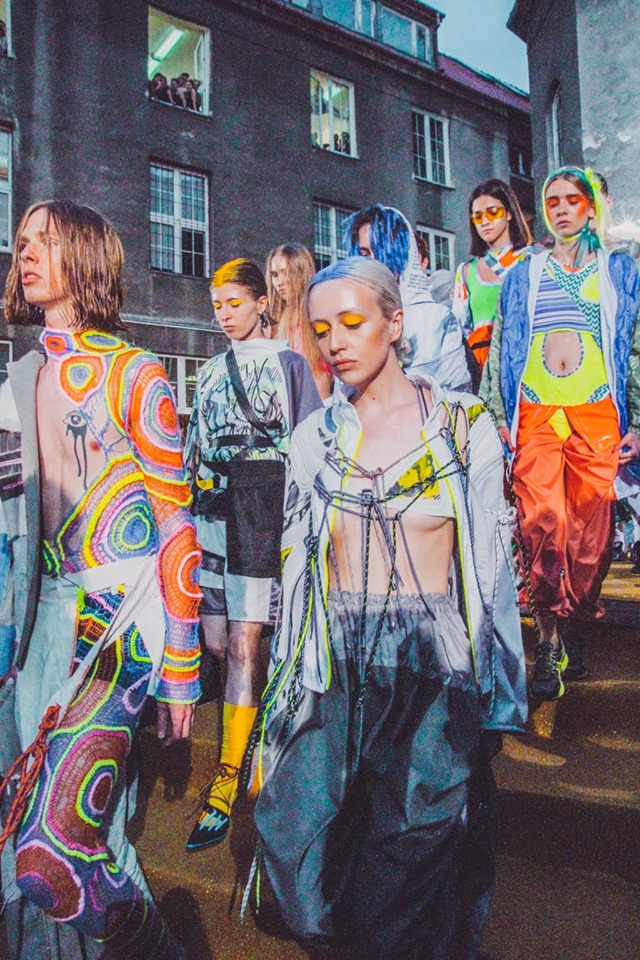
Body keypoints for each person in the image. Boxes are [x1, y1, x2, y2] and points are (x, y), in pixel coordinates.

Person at [253, 257, 527, 960]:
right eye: (321, 329)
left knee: (408, 858)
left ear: (396, 322)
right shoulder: (313, 439)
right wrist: (285, 680)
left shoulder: (463, 426)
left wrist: (499, 691)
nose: (335, 342)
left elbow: (490, 571)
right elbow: (298, 567)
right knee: (305, 850)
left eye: (352, 322)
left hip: (430, 665)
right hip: (335, 663)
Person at [0, 201, 202, 959]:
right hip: (44, 617)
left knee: (54, 855)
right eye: (21, 242)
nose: (25, 253)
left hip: (122, 616)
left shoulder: (136, 371)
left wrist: (181, 668)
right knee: (57, 826)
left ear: (85, 255)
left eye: (45, 242)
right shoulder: (21, 376)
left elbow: (176, 523)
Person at [482, 166, 640, 698]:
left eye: (573, 200)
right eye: (553, 201)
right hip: (536, 414)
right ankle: (548, 642)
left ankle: (574, 623)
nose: (562, 209)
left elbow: (635, 347)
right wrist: (497, 413)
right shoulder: (524, 272)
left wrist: (638, 421)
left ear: (591, 207)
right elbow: (502, 343)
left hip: (597, 417)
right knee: (541, 526)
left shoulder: (618, 269)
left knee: (591, 543)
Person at [184, 258, 322, 851]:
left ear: (262, 303)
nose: (223, 314)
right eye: (216, 305)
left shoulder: (290, 364)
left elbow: (312, 442)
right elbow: (194, 444)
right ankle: (253, 727)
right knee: (219, 642)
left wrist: (302, 524)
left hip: (264, 510)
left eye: (234, 303)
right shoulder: (209, 370)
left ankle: (228, 776)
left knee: (243, 642)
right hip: (213, 512)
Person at [344, 204, 471, 391]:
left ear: (403, 253)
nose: (373, 261)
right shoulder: (351, 320)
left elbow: (458, 394)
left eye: (382, 251)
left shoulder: (437, 318)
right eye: (365, 254)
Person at [453, 179, 534, 381]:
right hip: (482, 373)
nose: (485, 221)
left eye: (493, 212)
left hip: (525, 366)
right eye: (477, 216)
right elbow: (461, 330)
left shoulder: (533, 260)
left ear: (509, 213)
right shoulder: (466, 271)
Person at [266, 242, 333, 398]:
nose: (279, 282)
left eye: (286, 272)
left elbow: (321, 383)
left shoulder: (317, 316)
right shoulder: (273, 322)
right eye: (275, 275)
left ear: (302, 271)